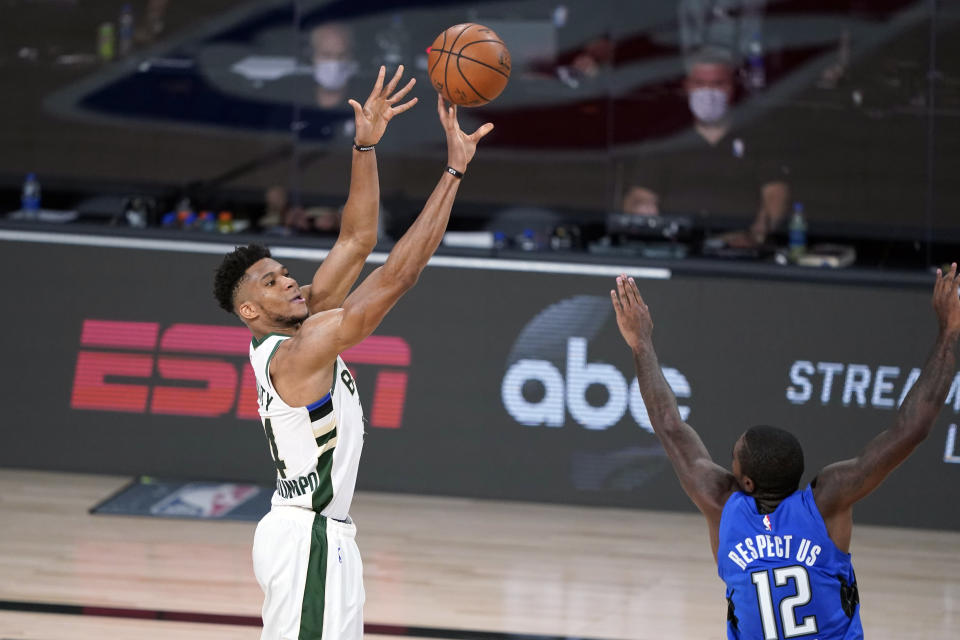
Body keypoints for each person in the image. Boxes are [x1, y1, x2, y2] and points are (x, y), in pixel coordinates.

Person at [212, 65, 493, 640]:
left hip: (326, 534)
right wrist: (453, 171)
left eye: (286, 273)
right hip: (306, 538)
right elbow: (397, 275)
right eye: (271, 283)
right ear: (249, 311)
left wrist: (365, 144)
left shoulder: (293, 332)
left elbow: (357, 240)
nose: (290, 282)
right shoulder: (302, 348)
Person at [609, 267, 960, 639]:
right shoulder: (827, 501)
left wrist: (640, 343)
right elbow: (912, 429)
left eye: (733, 459)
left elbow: (669, 426)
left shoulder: (721, 502)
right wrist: (949, 331)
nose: (726, 466)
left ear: (746, 481)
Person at [621, 50, 791, 248]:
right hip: (677, 246)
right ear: (687, 87)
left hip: (738, 248)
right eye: (700, 84)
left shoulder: (757, 136)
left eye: (718, 84)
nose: (708, 93)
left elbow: (775, 194)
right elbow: (641, 195)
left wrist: (756, 236)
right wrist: (642, 212)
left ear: (732, 87)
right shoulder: (667, 138)